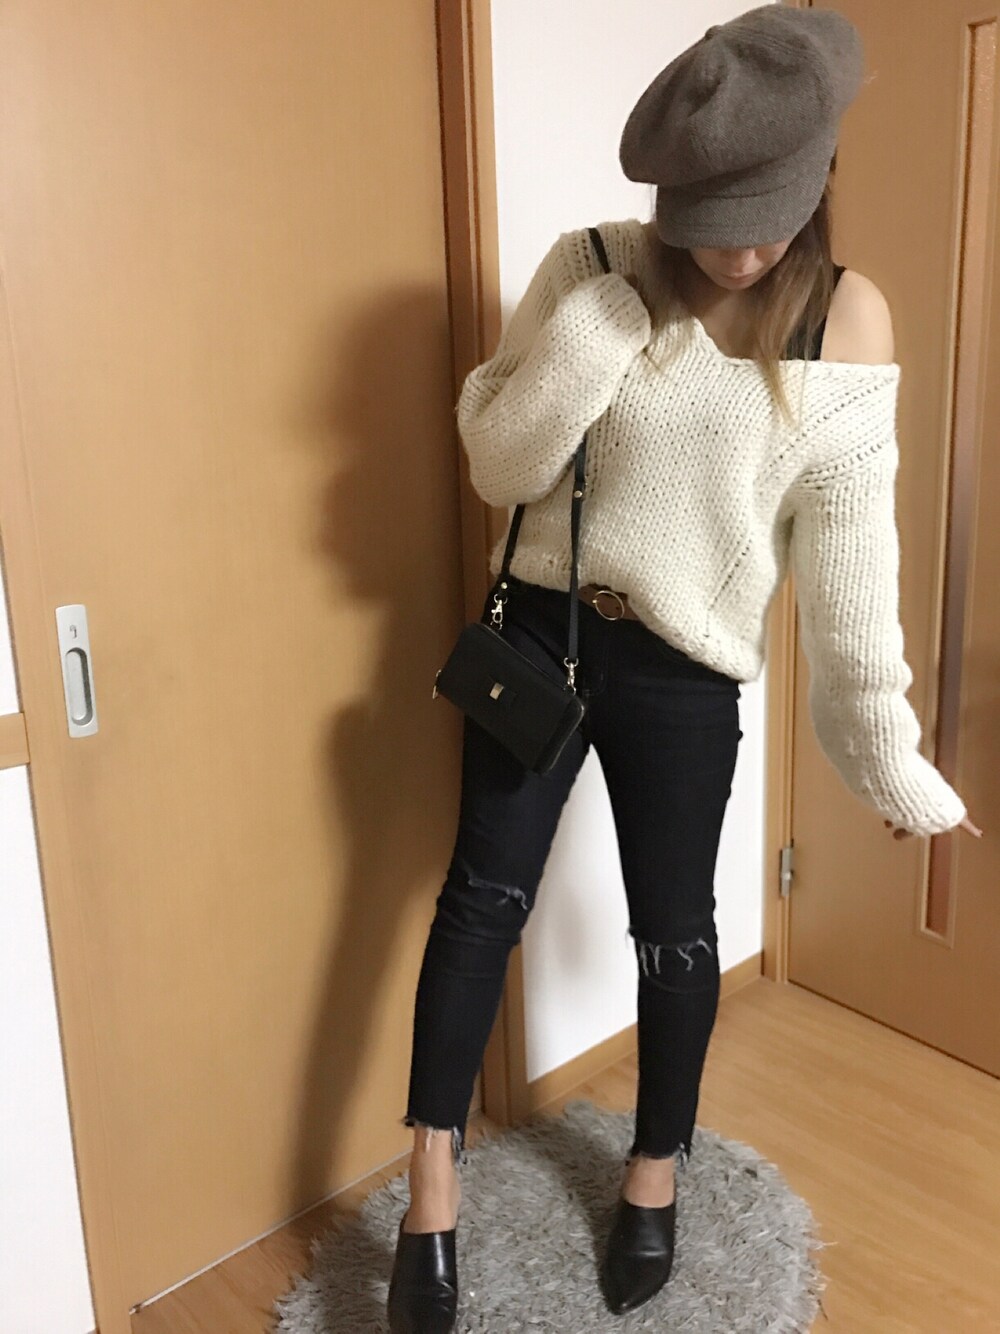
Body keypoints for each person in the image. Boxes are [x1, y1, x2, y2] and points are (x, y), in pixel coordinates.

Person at [386, 6, 982, 1330]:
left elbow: (850, 561)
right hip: (539, 636)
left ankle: (653, 1172)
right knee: (481, 900)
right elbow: (499, 463)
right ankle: (432, 1181)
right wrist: (591, 340)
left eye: (765, 218)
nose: (740, 252)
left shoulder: (844, 316)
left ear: (819, 176)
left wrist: (885, 753)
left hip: (684, 673)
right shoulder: (591, 265)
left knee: (676, 929)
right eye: (711, 221)